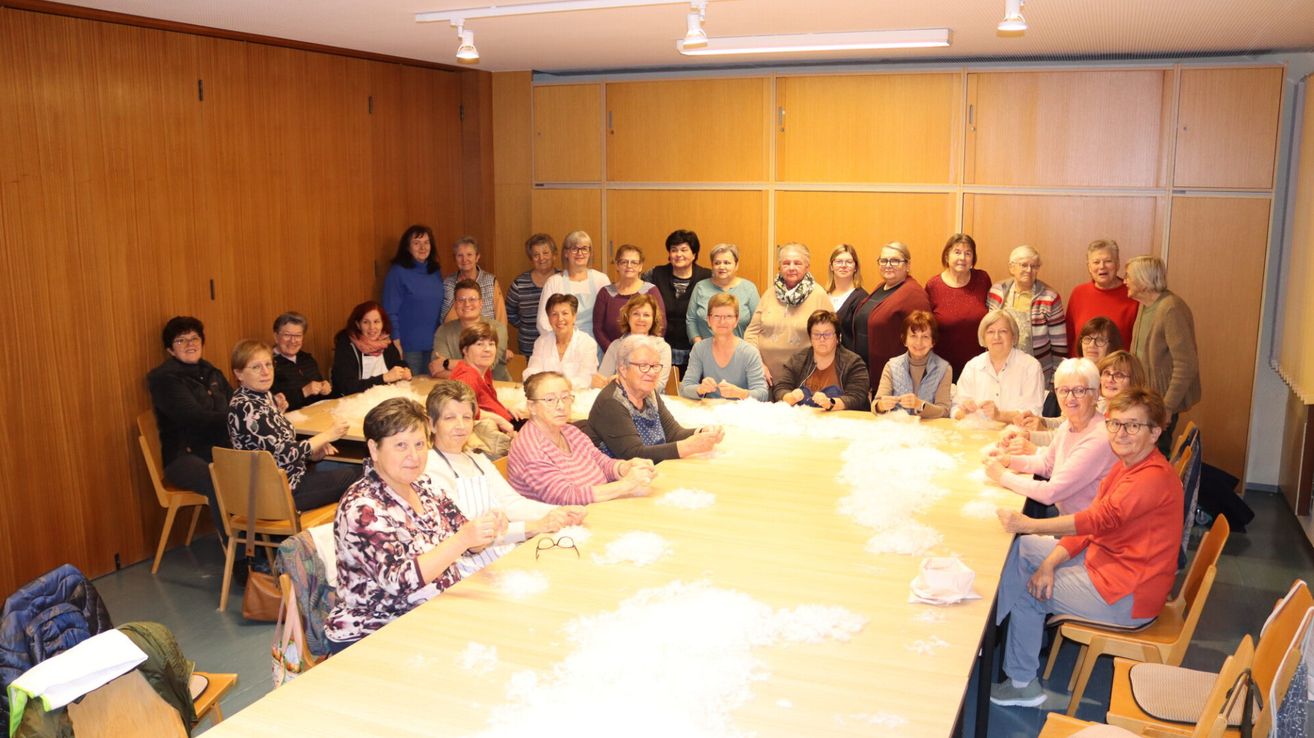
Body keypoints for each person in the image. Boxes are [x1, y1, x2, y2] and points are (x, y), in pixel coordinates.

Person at [989, 388, 1183, 707]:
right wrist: (1049, 562)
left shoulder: (1151, 478)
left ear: (1155, 432)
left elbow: (1094, 520)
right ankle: (990, 634)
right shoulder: (1127, 465)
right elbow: (1092, 527)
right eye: (1115, 424)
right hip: (1105, 567)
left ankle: (1022, 684)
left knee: (1030, 588)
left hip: (1128, 596)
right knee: (1025, 551)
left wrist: (1030, 524)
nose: (1121, 433)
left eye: (1133, 425)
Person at [325, 398, 503, 652]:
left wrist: (486, 530)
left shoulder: (423, 486)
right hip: (377, 630)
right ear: (374, 449)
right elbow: (399, 582)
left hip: (431, 613)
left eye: (420, 444)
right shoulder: (363, 507)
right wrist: (463, 539)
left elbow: (466, 540)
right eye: (401, 446)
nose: (414, 456)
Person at [421, 381, 585, 576]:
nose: (460, 426)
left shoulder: (477, 460)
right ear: (431, 424)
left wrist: (559, 512)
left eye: (466, 417)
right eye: (449, 418)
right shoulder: (428, 468)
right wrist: (535, 526)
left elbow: (512, 503)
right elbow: (467, 533)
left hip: (503, 556)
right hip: (468, 572)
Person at [227, 340, 358, 511]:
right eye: (256, 367)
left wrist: (312, 454)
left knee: (347, 467)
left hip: (286, 480)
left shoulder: (260, 397)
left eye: (268, 364)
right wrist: (327, 435)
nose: (266, 372)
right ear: (239, 374)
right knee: (359, 473)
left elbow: (275, 449)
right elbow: (284, 453)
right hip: (278, 492)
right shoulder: (247, 407)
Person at [984, 358, 1117, 516]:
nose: (1069, 398)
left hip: (1079, 531)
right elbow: (1047, 464)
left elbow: (1050, 493)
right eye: (1063, 390)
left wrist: (1002, 476)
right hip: (1063, 513)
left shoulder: (1099, 439)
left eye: (1079, 390)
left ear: (1095, 395)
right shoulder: (1068, 425)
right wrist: (1008, 460)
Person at [508, 372, 656, 505]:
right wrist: (626, 485)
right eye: (550, 399)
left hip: (598, 509)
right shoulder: (529, 447)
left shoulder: (570, 431)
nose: (561, 406)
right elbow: (564, 496)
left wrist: (625, 467)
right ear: (531, 406)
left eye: (565, 397)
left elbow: (601, 462)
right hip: (560, 528)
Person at [146, 316, 232, 532]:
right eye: (181, 340)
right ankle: (241, 558)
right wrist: (239, 417)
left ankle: (265, 541)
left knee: (262, 465)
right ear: (170, 350)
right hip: (184, 456)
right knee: (219, 481)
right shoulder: (164, 378)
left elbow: (236, 403)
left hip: (220, 449)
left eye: (194, 338)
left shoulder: (212, 371)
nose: (190, 344)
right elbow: (193, 418)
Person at [588, 335, 725, 461]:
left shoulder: (648, 393)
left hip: (655, 471)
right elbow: (634, 454)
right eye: (643, 366)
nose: (652, 372)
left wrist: (701, 433)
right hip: (623, 481)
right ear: (623, 369)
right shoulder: (612, 402)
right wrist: (688, 446)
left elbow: (673, 434)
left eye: (655, 366)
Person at [1127, 255, 1201, 455]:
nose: (1125, 281)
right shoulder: (1145, 305)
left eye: (1129, 277)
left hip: (1161, 400)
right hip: (1146, 398)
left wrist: (1167, 407)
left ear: (1143, 281)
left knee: (1154, 456)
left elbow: (1186, 365)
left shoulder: (1171, 309)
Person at [1010, 347, 1145, 451]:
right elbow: (1066, 423)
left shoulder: (1125, 418)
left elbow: (1073, 441)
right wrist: (1041, 422)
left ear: (1134, 380)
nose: (1110, 379)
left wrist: (1037, 434)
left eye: (1119, 375)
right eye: (1107, 373)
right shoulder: (1101, 403)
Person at [847, 241, 932, 393]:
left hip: (896, 379)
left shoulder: (914, 295)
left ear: (908, 265)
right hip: (866, 373)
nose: (888, 265)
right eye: (884, 260)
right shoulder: (881, 287)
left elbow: (923, 340)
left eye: (895, 260)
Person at [745, 242, 832, 384]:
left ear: (807, 267)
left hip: (804, 379)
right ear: (779, 268)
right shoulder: (769, 293)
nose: (791, 268)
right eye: (786, 263)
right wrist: (758, 365)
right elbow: (751, 333)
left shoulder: (819, 295)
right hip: (766, 377)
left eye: (797, 263)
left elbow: (831, 338)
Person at [987, 245, 1067, 387]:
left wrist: (1056, 381)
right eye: (1024, 265)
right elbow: (989, 329)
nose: (1029, 270)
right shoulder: (997, 291)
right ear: (1012, 268)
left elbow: (1059, 346)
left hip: (1036, 372)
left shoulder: (1050, 297)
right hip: (999, 370)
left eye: (1034, 266)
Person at [953, 310, 1045, 424]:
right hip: (977, 435)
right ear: (983, 337)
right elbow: (955, 409)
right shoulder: (972, 367)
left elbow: (1033, 415)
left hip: (1015, 437)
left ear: (1014, 336)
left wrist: (999, 415)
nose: (996, 337)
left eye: (1003, 331)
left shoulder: (1030, 367)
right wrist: (964, 412)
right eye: (990, 332)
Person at [643, 229, 713, 376]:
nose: (678, 254)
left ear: (694, 254)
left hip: (697, 349)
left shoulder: (707, 277)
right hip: (660, 349)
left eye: (684, 250)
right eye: (674, 250)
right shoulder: (655, 274)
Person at [924, 233, 992, 380]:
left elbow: (992, 319)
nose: (962, 258)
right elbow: (927, 327)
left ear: (973, 259)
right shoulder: (933, 285)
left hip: (979, 365)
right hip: (942, 366)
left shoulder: (982, 279)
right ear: (947, 256)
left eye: (968, 253)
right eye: (957, 252)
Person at [774, 309, 870, 412]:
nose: (822, 339)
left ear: (838, 337)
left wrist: (830, 403)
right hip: (805, 420)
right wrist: (790, 397)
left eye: (827, 334)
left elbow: (857, 397)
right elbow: (780, 388)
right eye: (816, 334)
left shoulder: (854, 363)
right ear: (810, 338)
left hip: (842, 421)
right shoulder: (797, 360)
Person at [680, 293, 769, 402]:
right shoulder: (699, 349)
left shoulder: (750, 352)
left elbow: (763, 394)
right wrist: (700, 389)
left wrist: (740, 393)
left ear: (736, 321)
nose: (722, 321)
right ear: (708, 320)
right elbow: (684, 388)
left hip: (741, 412)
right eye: (716, 316)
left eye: (728, 316)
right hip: (709, 411)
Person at [381, 225, 444, 376]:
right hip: (408, 346)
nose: (422, 247)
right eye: (416, 243)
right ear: (407, 247)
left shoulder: (435, 271)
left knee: (431, 389)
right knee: (412, 391)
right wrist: (396, 341)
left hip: (434, 344)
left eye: (426, 242)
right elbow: (390, 310)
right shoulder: (397, 273)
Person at [536, 230, 610, 346]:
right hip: (563, 345)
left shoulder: (601, 280)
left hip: (596, 345)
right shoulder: (554, 282)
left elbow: (609, 318)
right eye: (574, 248)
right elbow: (542, 321)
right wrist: (561, 343)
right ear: (566, 253)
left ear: (590, 252)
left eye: (585, 248)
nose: (580, 253)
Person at [1065, 239, 1139, 355]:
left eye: (1108, 261)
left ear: (1118, 264)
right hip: (1083, 370)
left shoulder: (1133, 295)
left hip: (1116, 370)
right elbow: (1069, 339)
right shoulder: (1078, 293)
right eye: (1096, 262)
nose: (1102, 266)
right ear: (1089, 267)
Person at [872, 310, 951, 419]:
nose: (919, 343)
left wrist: (919, 405)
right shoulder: (891, 366)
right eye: (913, 336)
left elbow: (945, 411)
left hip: (929, 430)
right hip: (897, 429)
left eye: (925, 337)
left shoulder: (944, 369)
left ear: (933, 342)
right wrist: (881, 405)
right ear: (904, 340)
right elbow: (875, 405)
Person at [448, 322, 522, 435]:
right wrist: (500, 420)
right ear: (465, 350)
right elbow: (462, 410)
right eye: (479, 344)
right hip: (496, 432)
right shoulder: (467, 377)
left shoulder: (482, 369)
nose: (487, 349)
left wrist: (504, 408)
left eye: (491, 344)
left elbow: (485, 402)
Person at [429, 279, 510, 381]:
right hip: (456, 390)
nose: (467, 304)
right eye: (461, 300)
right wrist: (468, 374)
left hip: (497, 388)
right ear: (455, 305)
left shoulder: (497, 329)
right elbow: (436, 368)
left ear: (481, 304)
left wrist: (447, 363)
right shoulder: (443, 331)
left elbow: (486, 366)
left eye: (472, 299)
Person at [593, 244, 664, 352]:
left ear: (640, 266)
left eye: (634, 262)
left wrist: (641, 352)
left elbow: (660, 325)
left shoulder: (651, 291)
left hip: (645, 355)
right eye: (624, 262)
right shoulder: (605, 293)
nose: (629, 266)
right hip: (612, 355)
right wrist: (614, 352)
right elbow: (598, 329)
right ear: (617, 265)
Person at [331, 300, 411, 396]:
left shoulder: (385, 341)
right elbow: (348, 386)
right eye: (366, 322)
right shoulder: (346, 346)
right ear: (358, 324)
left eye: (376, 322)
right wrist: (384, 378)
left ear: (382, 323)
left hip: (382, 397)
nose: (372, 327)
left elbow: (396, 362)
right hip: (352, 401)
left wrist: (405, 369)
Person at [595, 293, 673, 389]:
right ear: (628, 317)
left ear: (653, 319)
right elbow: (603, 379)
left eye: (646, 315)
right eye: (636, 314)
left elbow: (659, 385)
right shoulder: (616, 346)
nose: (641, 319)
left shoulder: (662, 348)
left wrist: (624, 382)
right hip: (616, 399)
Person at [686, 243, 759, 343]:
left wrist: (747, 349)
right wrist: (699, 345)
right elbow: (691, 319)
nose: (722, 266)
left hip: (740, 352)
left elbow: (757, 324)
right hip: (705, 352)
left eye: (727, 263)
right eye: (717, 263)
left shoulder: (749, 288)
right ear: (712, 266)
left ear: (736, 265)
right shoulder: (700, 287)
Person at [525, 293, 599, 389]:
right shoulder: (541, 342)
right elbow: (531, 373)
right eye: (554, 314)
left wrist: (554, 386)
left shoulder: (587, 343)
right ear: (549, 319)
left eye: (565, 313)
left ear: (574, 317)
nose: (560, 319)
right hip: (546, 396)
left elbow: (586, 379)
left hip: (577, 398)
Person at [506, 233, 558, 357]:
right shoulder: (520, 283)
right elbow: (509, 312)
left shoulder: (563, 279)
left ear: (554, 255)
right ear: (531, 258)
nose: (541, 258)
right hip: (529, 346)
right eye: (536, 255)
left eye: (546, 253)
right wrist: (527, 326)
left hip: (558, 345)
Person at [270, 312, 332, 411]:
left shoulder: (307, 359)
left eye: (298, 336)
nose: (293, 341)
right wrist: (304, 392)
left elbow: (322, 393)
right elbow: (271, 404)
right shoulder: (268, 364)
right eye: (287, 335)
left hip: (318, 414)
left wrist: (325, 389)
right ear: (276, 337)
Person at [441, 236, 507, 326]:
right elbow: (443, 316)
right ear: (454, 258)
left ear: (477, 257)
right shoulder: (448, 283)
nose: (464, 260)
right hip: (454, 337)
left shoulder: (490, 281)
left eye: (469, 255)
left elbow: (501, 318)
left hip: (486, 337)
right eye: (460, 255)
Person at [826, 244, 868, 340]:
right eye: (839, 261)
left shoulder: (862, 299)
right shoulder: (823, 295)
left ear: (855, 267)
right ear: (831, 267)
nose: (843, 266)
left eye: (849, 262)